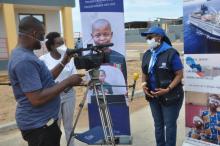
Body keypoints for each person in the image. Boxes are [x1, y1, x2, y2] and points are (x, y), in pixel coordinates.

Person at [8, 16, 82, 146]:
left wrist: (64, 61)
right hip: (40, 127)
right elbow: (36, 99)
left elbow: (46, 78)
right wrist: (68, 82)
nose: (43, 41)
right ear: (34, 34)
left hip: (42, 124)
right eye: (42, 36)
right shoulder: (25, 60)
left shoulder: (24, 54)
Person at [141, 26, 184, 146]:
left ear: (159, 38)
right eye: (146, 38)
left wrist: (168, 89)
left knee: (169, 125)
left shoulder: (171, 53)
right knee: (158, 124)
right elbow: (144, 72)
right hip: (153, 96)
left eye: (150, 37)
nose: (148, 40)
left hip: (170, 96)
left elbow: (179, 74)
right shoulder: (148, 54)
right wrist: (144, 84)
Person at [39, 32, 76, 146]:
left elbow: (73, 76)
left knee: (69, 125)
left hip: (69, 95)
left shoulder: (69, 59)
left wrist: (67, 86)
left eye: (63, 43)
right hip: (53, 97)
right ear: (51, 46)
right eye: (58, 44)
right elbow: (43, 80)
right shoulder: (43, 60)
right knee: (56, 126)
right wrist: (59, 87)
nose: (62, 46)